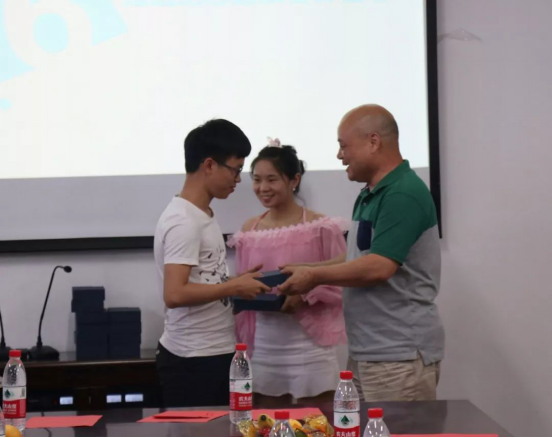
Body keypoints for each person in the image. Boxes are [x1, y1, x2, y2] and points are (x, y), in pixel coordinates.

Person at [279, 105, 444, 402]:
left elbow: (378, 266)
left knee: (393, 427)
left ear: (373, 142)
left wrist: (314, 277)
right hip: (369, 353)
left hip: (397, 357)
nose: (339, 156)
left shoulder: (402, 194)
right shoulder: (371, 193)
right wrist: (306, 268)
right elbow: (359, 256)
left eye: (344, 146)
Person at [154, 119, 270, 408]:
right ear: (209, 165)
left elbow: (200, 280)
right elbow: (175, 294)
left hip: (213, 352)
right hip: (193, 359)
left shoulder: (202, 213)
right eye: (236, 170)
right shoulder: (183, 221)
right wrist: (233, 288)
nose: (238, 180)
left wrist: (235, 282)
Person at [228, 138, 348, 407]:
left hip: (310, 342)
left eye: (272, 179)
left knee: (319, 419)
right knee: (266, 419)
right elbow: (242, 283)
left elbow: (343, 279)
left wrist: (305, 294)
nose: (263, 188)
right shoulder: (249, 229)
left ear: (294, 180)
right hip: (264, 342)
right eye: (256, 180)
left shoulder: (321, 226)